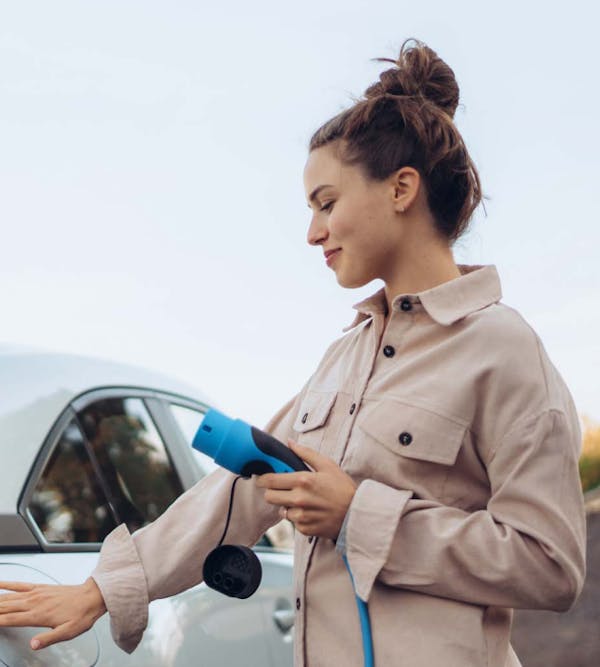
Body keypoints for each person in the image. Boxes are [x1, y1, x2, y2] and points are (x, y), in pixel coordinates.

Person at [0, 39, 587, 667]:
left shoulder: (502, 348)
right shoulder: (343, 359)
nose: (313, 233)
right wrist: (100, 590)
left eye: (326, 204)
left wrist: (358, 514)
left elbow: (550, 564)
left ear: (402, 189)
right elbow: (239, 490)